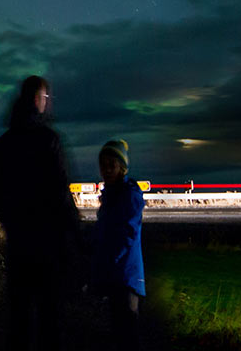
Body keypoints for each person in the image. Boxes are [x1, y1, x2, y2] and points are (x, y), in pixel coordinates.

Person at [0, 75, 80, 351]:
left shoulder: (3, 144)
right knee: (50, 319)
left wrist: (14, 225)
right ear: (38, 99)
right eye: (46, 97)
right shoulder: (49, 140)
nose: (47, 103)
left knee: (19, 320)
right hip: (49, 245)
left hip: (19, 245)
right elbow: (61, 193)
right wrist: (76, 236)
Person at [90, 139, 146, 351]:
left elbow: (126, 235)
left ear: (122, 167)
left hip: (125, 275)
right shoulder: (111, 195)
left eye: (111, 165)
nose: (106, 170)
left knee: (127, 334)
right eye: (103, 165)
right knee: (120, 333)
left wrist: (108, 260)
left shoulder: (128, 195)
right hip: (117, 275)